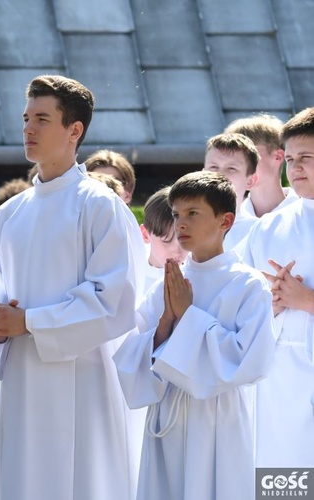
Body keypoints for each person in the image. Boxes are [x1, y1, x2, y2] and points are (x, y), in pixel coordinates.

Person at [0, 75, 142, 500]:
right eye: (26, 118)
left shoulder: (99, 206)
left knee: (82, 481)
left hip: (81, 375)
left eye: (42, 119)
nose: (28, 128)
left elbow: (112, 299)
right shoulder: (7, 215)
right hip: (22, 377)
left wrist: (29, 321)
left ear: (74, 130)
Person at [114, 171, 275, 499]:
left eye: (192, 214)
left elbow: (249, 361)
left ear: (225, 220)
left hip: (217, 420)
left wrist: (187, 315)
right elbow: (131, 354)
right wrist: (165, 323)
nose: (180, 224)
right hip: (166, 418)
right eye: (176, 214)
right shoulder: (168, 281)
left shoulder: (247, 284)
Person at [242, 107, 314, 468]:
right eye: (292, 159)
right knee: (284, 481)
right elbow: (241, 299)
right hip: (283, 381)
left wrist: (307, 300)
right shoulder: (269, 227)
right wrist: (269, 302)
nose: (296, 167)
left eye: (307, 158)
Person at [225, 113, 298, 217]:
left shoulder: (305, 215)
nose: (237, 165)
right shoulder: (228, 221)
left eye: (249, 154)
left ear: (278, 157)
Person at [140, 186, 188, 292]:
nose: (177, 251)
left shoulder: (195, 275)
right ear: (145, 234)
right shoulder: (130, 273)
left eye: (185, 240)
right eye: (166, 241)